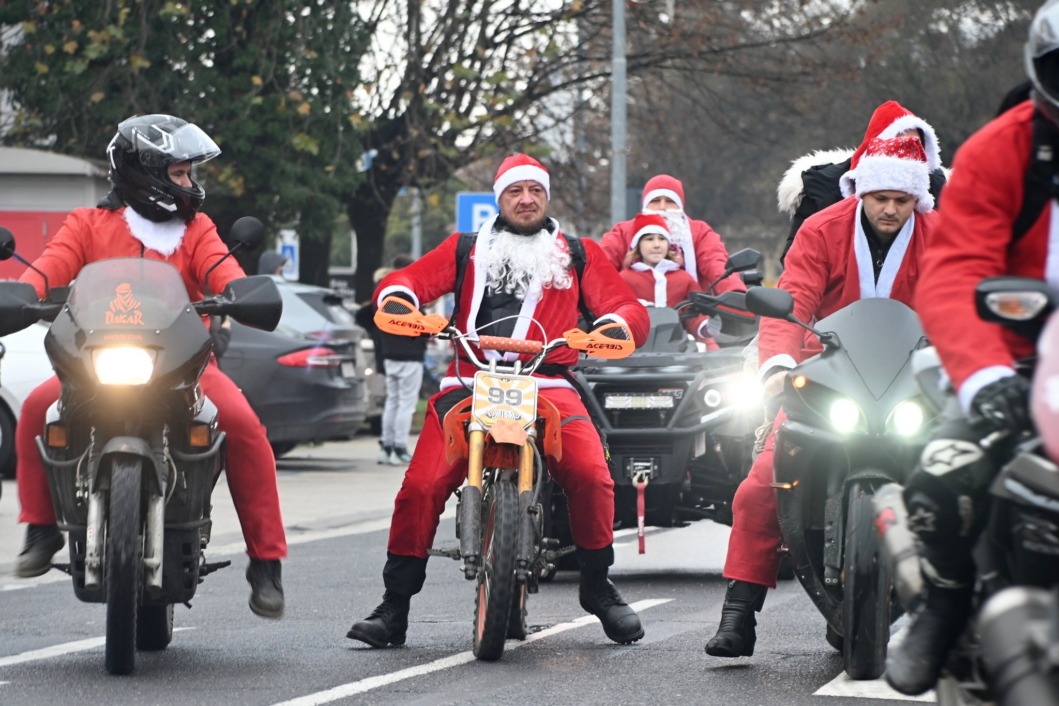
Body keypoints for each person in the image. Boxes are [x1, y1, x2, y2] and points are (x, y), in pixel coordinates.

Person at [345, 153, 651, 648]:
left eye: (535, 190)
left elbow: (625, 307)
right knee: (421, 486)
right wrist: (399, 298)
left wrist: (614, 327)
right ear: (499, 198)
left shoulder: (579, 253)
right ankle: (394, 606)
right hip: (469, 381)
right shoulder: (464, 248)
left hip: (548, 383)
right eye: (515, 191)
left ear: (546, 197)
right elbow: (407, 281)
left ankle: (597, 584)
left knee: (593, 474)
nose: (526, 200)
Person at [12, 114, 287, 619]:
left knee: (245, 427)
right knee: (34, 408)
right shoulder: (87, 224)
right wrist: (22, 294)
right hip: (95, 364)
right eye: (179, 173)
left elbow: (222, 269)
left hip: (185, 368)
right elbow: (49, 268)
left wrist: (238, 291)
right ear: (145, 173)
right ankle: (41, 528)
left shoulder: (197, 229)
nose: (189, 183)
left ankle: (266, 562)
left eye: (188, 173)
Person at [704, 135, 938, 658]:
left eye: (902, 200)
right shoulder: (821, 229)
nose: (890, 209)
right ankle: (739, 609)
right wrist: (778, 366)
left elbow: (959, 303)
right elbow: (792, 300)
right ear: (861, 191)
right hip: (830, 377)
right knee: (760, 484)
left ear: (917, 198)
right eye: (880, 198)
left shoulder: (941, 235)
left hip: (914, 381)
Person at [886, 2, 1059, 694]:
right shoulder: (999, 150)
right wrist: (985, 376)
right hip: (1014, 360)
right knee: (940, 474)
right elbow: (955, 274)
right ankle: (946, 597)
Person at [776, 100, 946, 264]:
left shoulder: (935, 189)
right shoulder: (823, 188)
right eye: (880, 198)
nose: (907, 155)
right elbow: (797, 259)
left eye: (916, 148)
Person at [598, 174, 746, 296]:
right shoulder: (623, 231)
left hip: (690, 313)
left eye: (670, 201)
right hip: (632, 314)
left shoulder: (699, 232)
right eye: (655, 201)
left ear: (680, 206)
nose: (662, 207)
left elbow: (716, 263)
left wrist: (735, 294)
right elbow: (601, 265)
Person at [618, 212, 714, 343]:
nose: (657, 245)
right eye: (649, 239)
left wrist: (705, 328)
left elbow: (694, 315)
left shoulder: (684, 279)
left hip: (677, 347)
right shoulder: (625, 279)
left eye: (662, 239)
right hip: (635, 347)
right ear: (638, 245)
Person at [374, 255, 427, 465]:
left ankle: (386, 447)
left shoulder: (383, 293)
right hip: (410, 356)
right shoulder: (407, 295)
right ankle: (399, 448)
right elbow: (420, 325)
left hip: (389, 354)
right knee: (406, 403)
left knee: (392, 401)